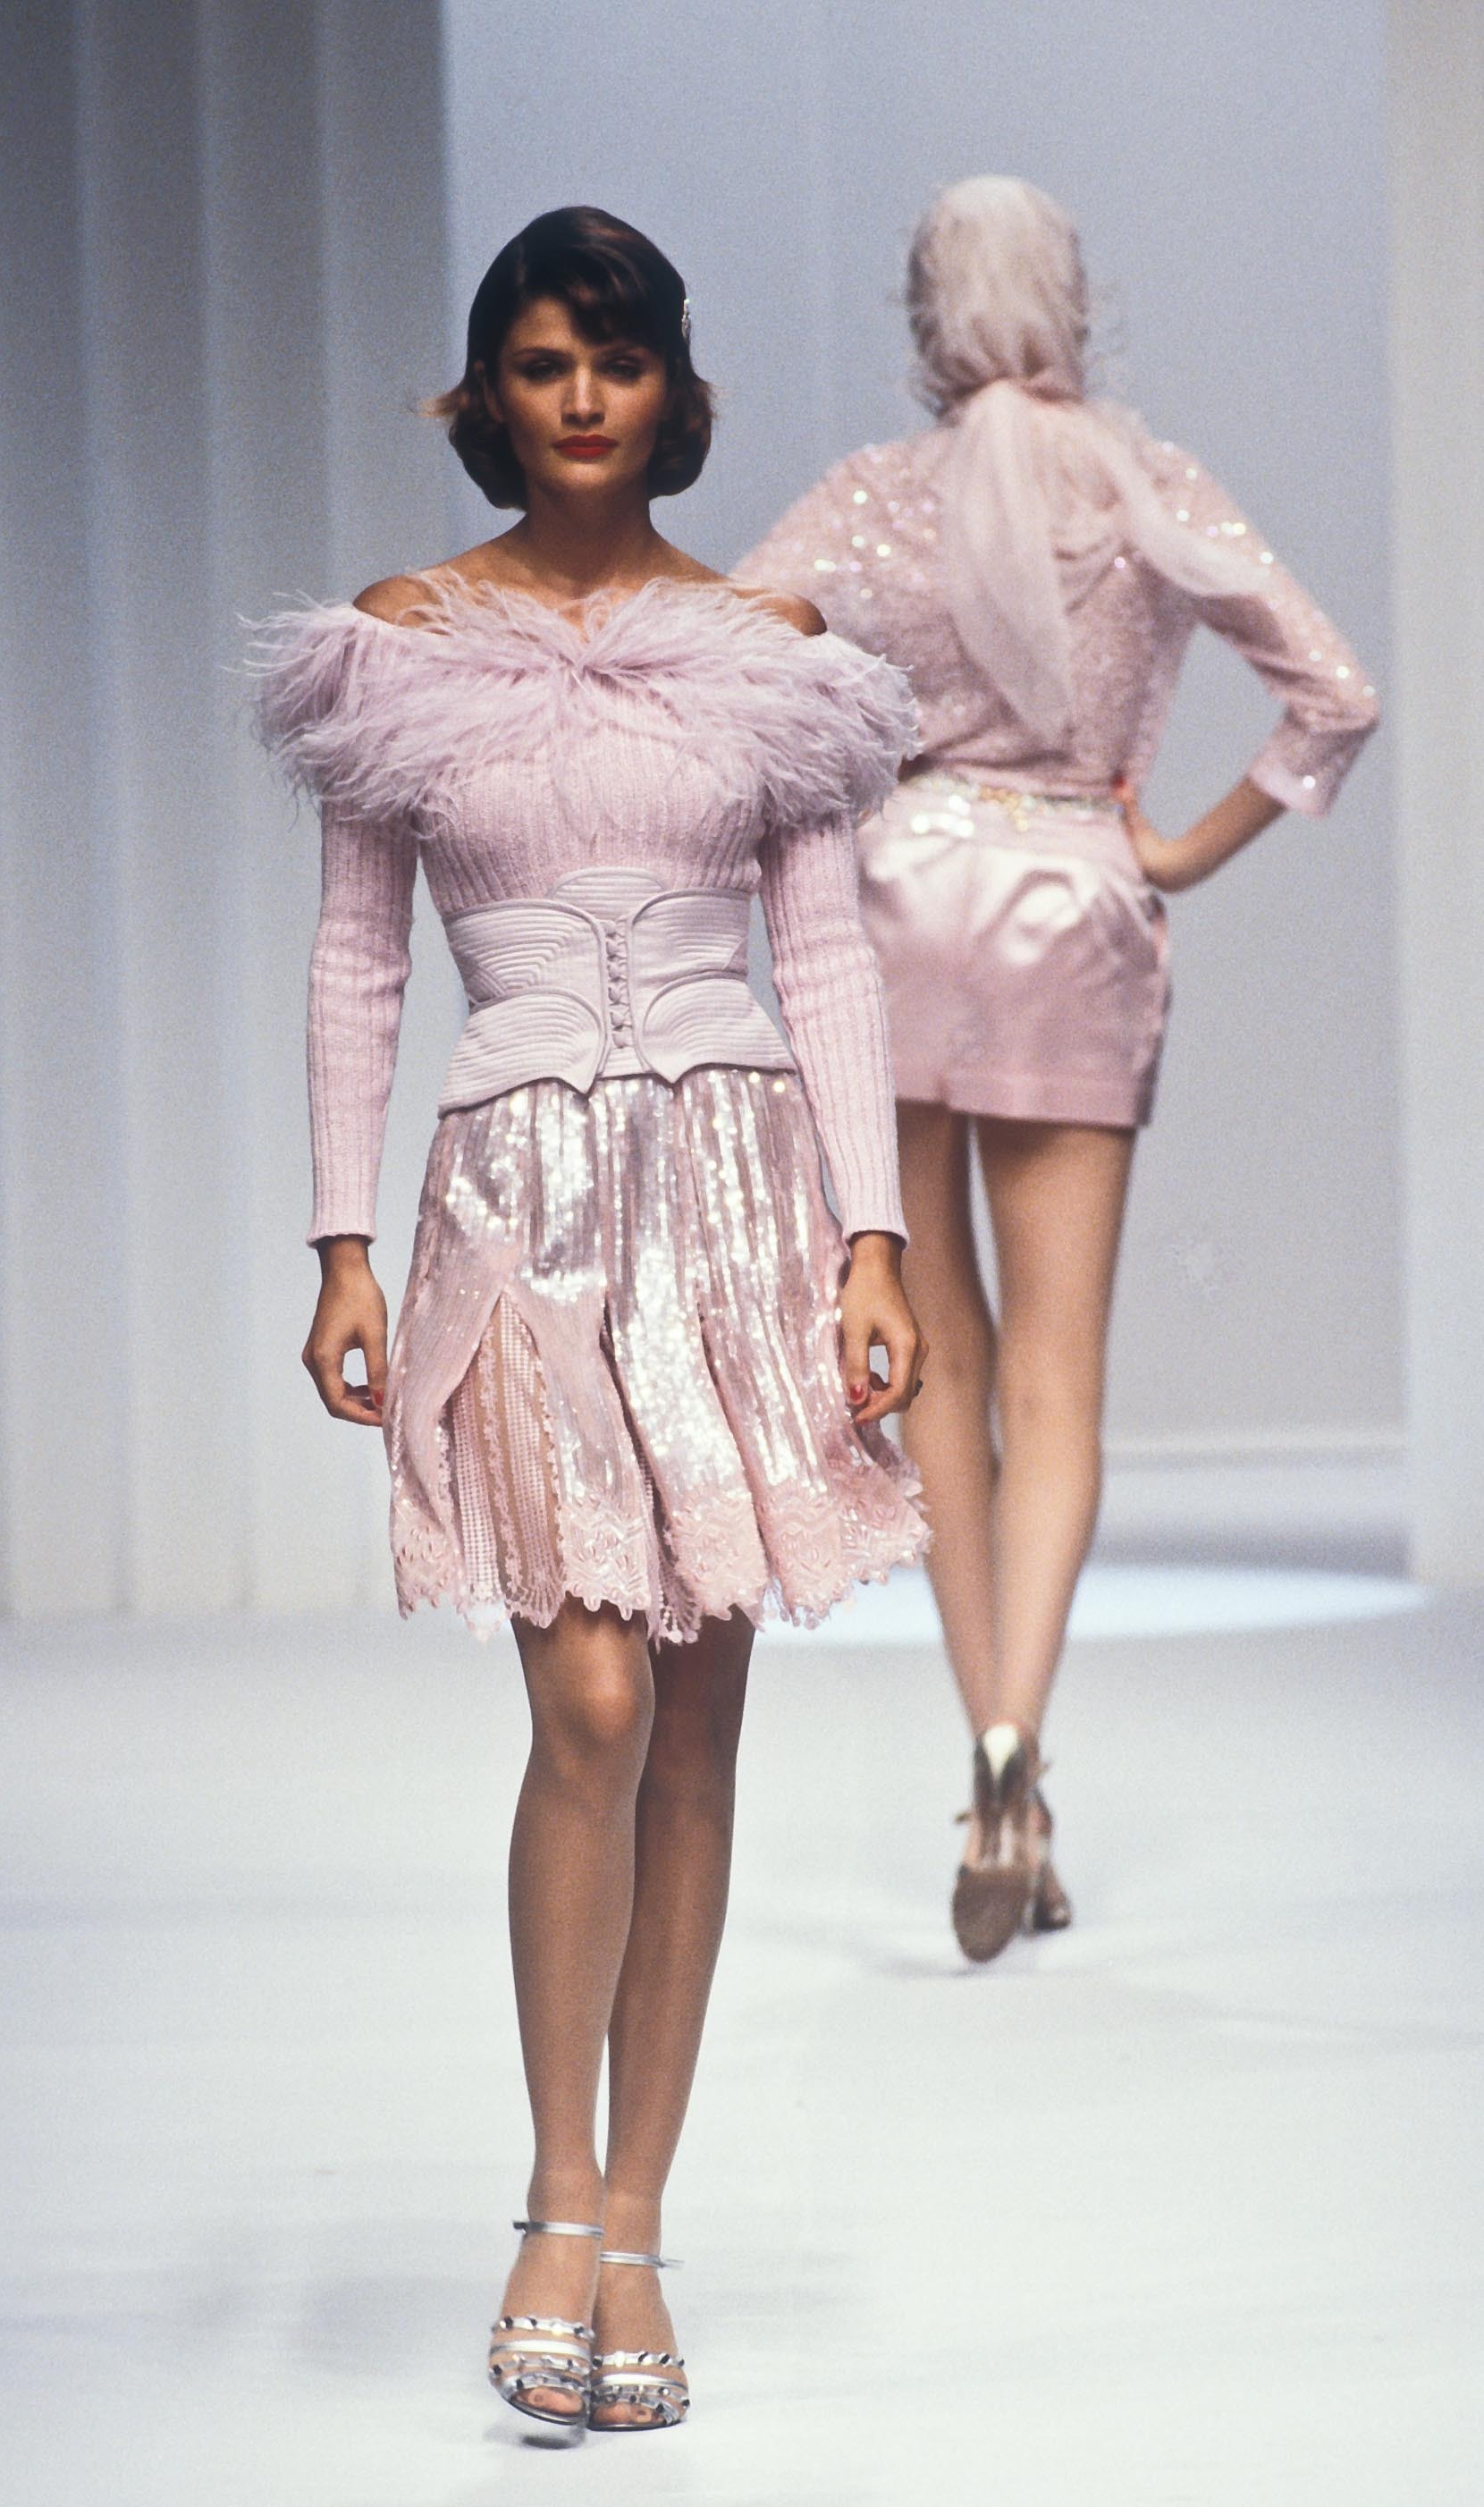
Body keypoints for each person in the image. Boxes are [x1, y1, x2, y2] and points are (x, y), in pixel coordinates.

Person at [253, 207, 926, 2431]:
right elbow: (360, 956)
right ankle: (553, 2191)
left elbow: (822, 954)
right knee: (595, 1701)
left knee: (701, 1733)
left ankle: (632, 2231)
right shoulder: (400, 645)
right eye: (540, 362)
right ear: (484, 393)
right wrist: (338, 1244)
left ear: (670, 392)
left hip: (736, 1199)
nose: (577, 398)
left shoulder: (764, 650)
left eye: (613, 362)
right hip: (517, 1204)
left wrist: (869, 1240)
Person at [739, 174, 1378, 1964]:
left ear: (919, 316)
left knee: (926, 1361)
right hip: (1072, 908)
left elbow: (728, 656)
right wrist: (1176, 851)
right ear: (1075, 303)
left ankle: (986, 1768)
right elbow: (1333, 694)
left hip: (895, 905)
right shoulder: (1142, 487)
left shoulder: (872, 496)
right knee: (1057, 1378)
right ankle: (1018, 1739)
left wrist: (852, 786)